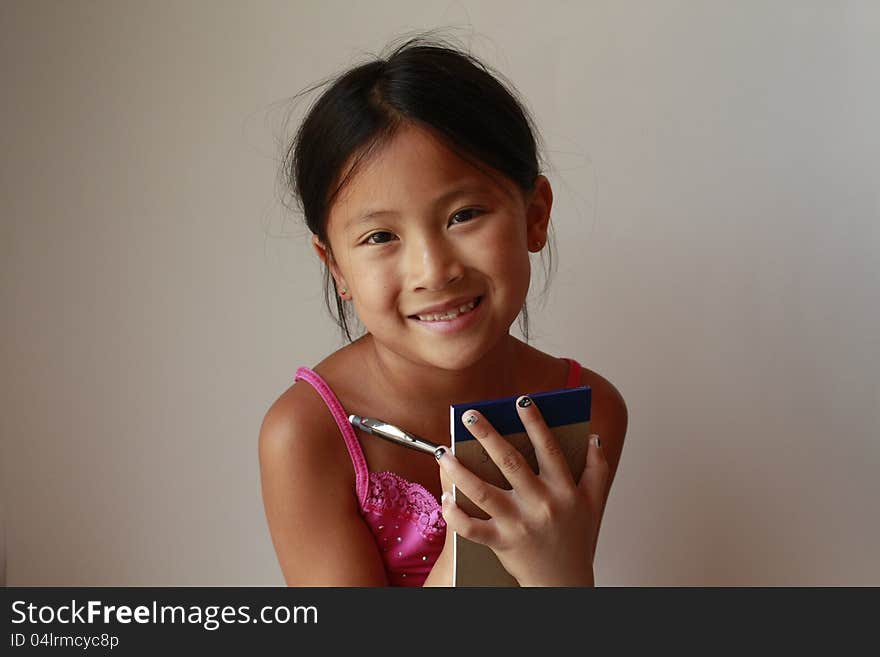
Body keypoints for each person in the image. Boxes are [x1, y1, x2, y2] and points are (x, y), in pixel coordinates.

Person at [259, 36, 628, 586]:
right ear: (335, 265)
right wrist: (484, 539)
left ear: (534, 215)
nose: (434, 271)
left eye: (464, 215)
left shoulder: (590, 411)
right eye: (381, 235)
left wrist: (559, 577)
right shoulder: (308, 436)